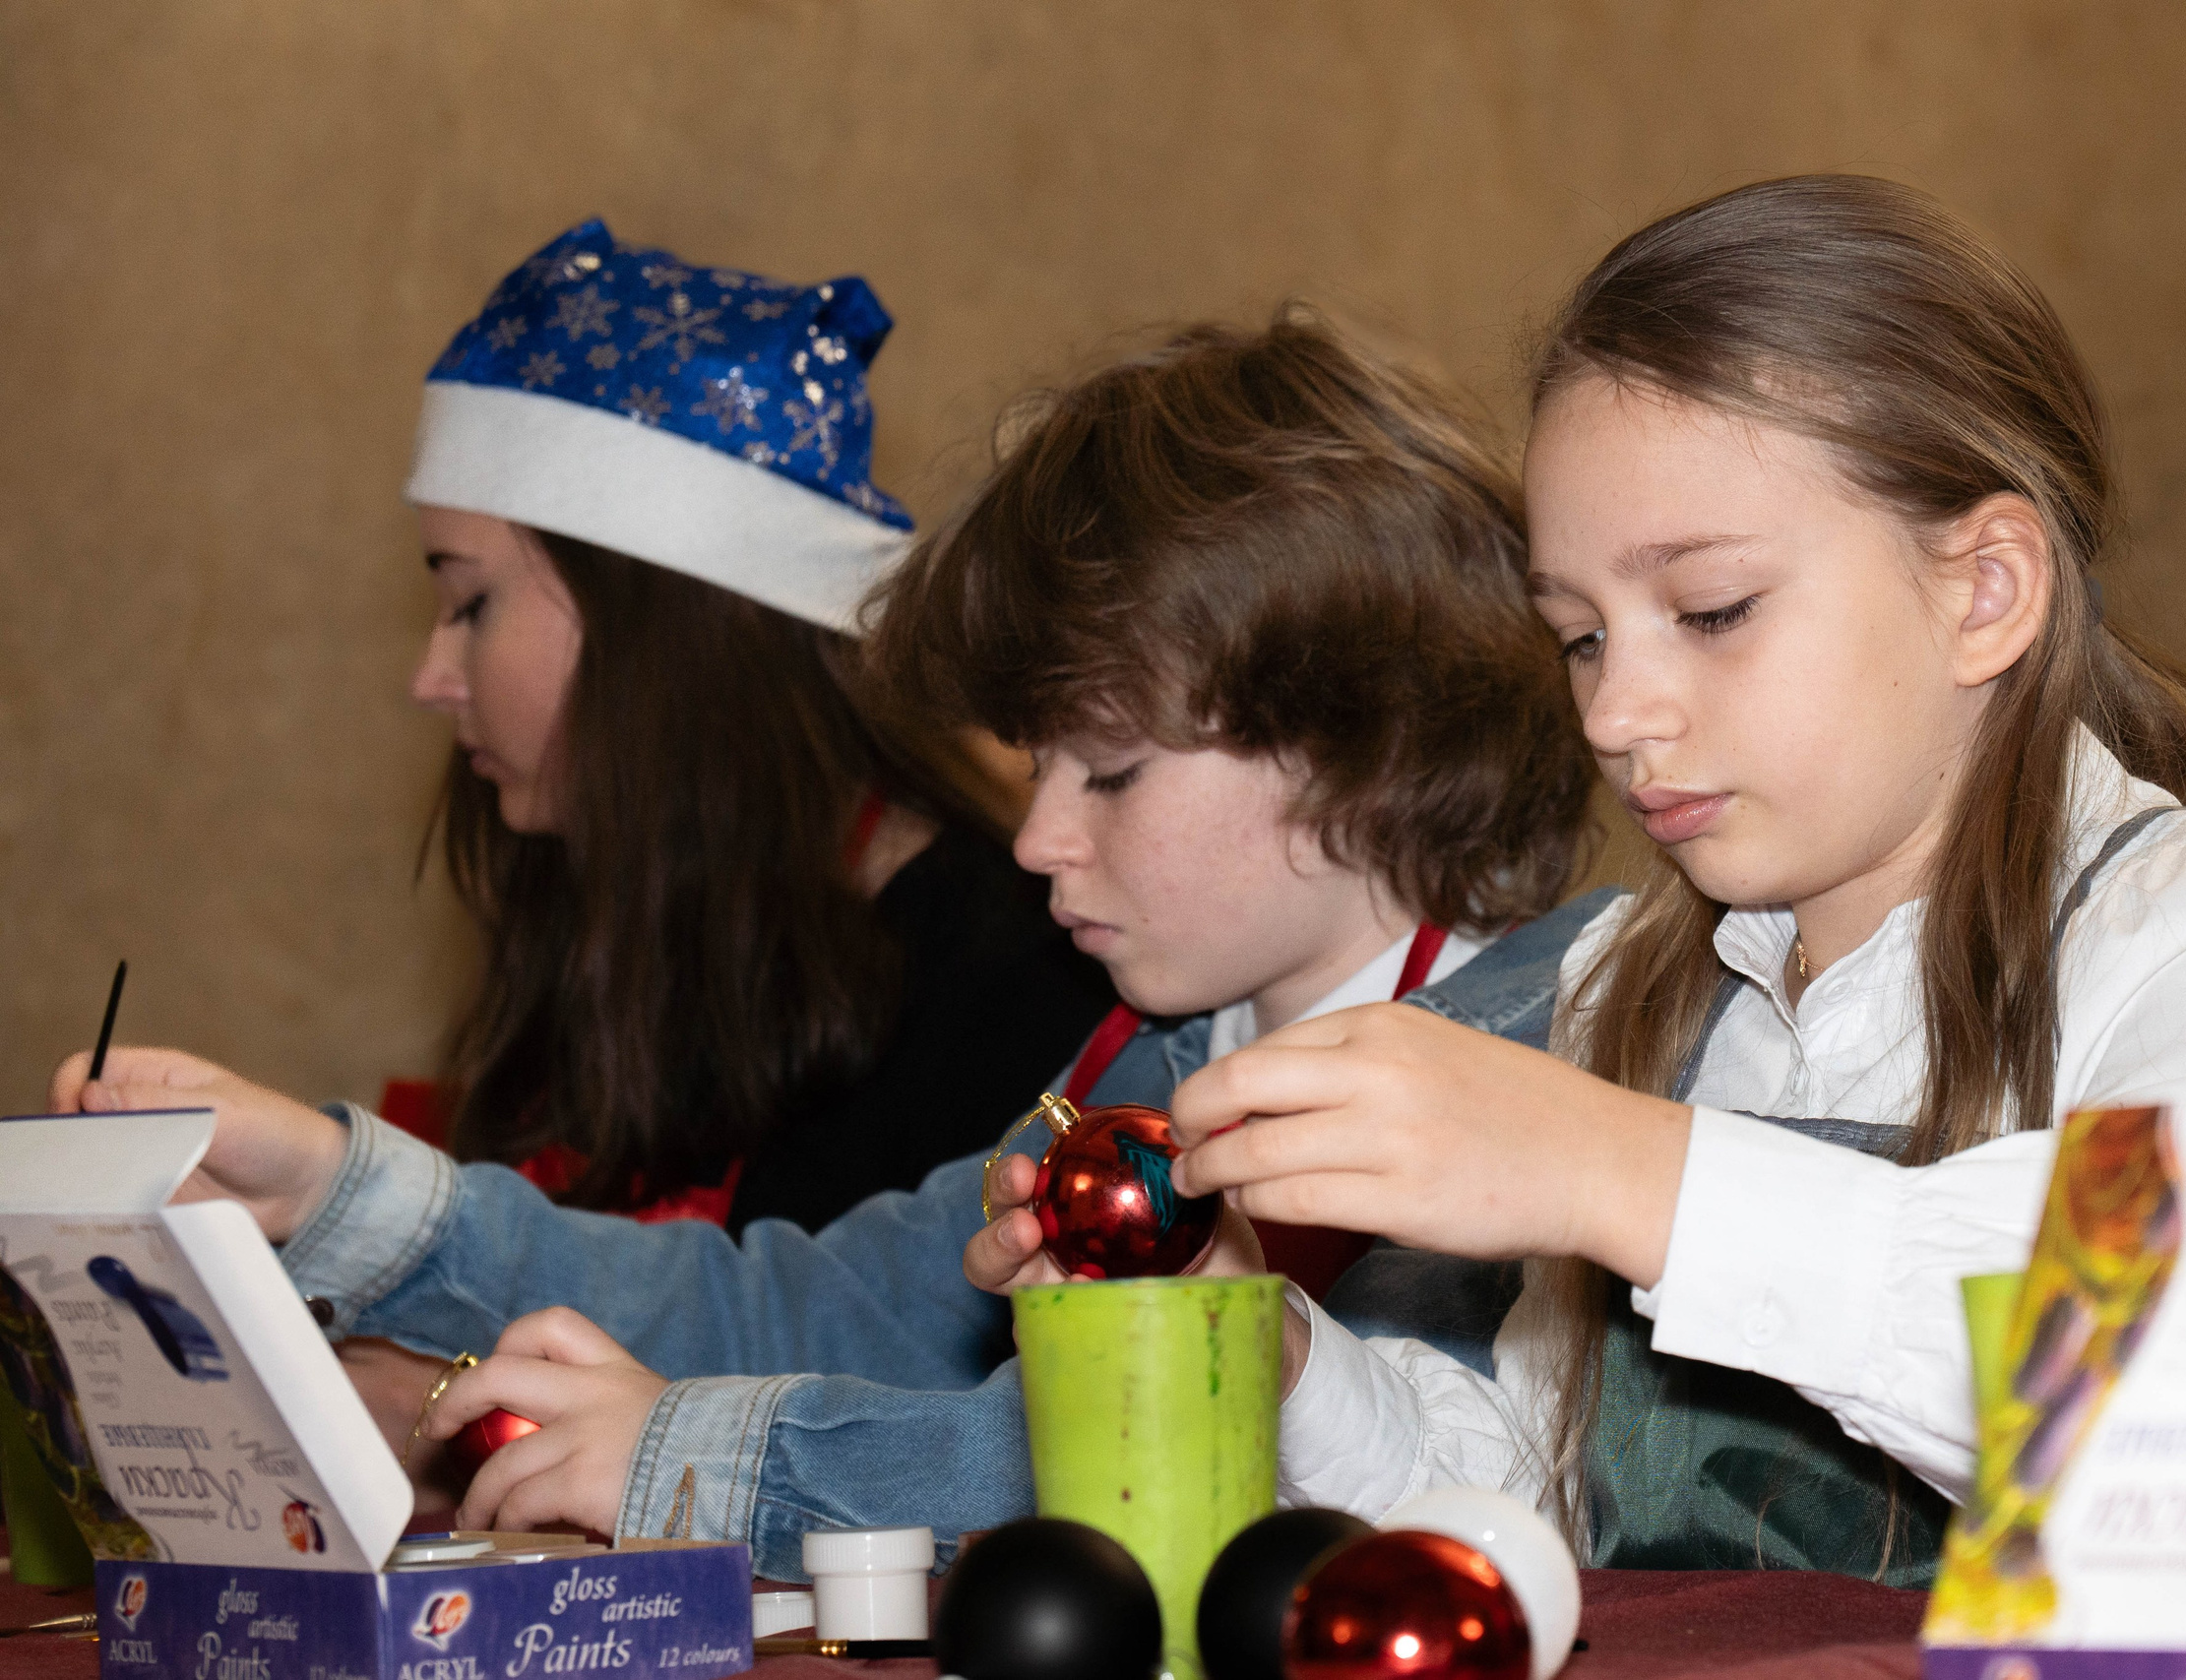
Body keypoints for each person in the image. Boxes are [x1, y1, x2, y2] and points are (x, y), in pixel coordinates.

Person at [55, 312, 1602, 1579]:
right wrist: (343, 1192)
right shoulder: (1155, 1057)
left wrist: (705, 1456)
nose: (1040, 834)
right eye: (1037, 761)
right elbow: (826, 1305)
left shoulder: (1547, 1049)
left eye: (1111, 769)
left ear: (1364, 750)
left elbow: (1196, 1444)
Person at [1012, 176, 2186, 1581]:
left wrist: (1621, 1170)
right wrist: (1264, 1334)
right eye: (1582, 636)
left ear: (1984, 589)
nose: (1617, 711)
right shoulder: (1637, 992)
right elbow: (1529, 1520)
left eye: (1711, 610)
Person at [394, 218, 1111, 1228]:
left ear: (657, 629)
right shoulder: (608, 909)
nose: (432, 677)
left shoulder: (1009, 992)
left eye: (471, 605)